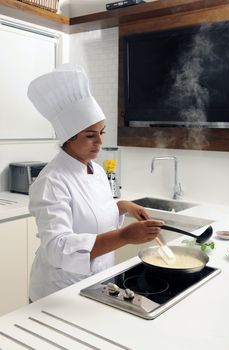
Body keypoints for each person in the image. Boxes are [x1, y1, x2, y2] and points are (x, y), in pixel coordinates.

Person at [27, 63, 164, 302]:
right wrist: (124, 237)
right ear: (69, 139)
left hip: (98, 281)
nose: (99, 142)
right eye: (90, 135)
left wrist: (123, 206)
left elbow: (95, 209)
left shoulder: (97, 171)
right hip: (58, 291)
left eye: (102, 132)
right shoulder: (51, 181)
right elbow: (56, 247)